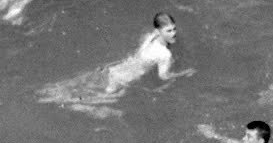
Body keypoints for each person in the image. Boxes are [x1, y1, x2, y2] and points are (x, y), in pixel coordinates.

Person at [37, 13, 190, 113]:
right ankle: (54, 103)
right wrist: (184, 73)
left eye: (174, 29)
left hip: (114, 69)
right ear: (158, 32)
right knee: (90, 102)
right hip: (123, 79)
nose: (174, 33)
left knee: (74, 87)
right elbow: (163, 76)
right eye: (169, 31)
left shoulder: (149, 37)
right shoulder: (165, 54)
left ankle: (47, 95)